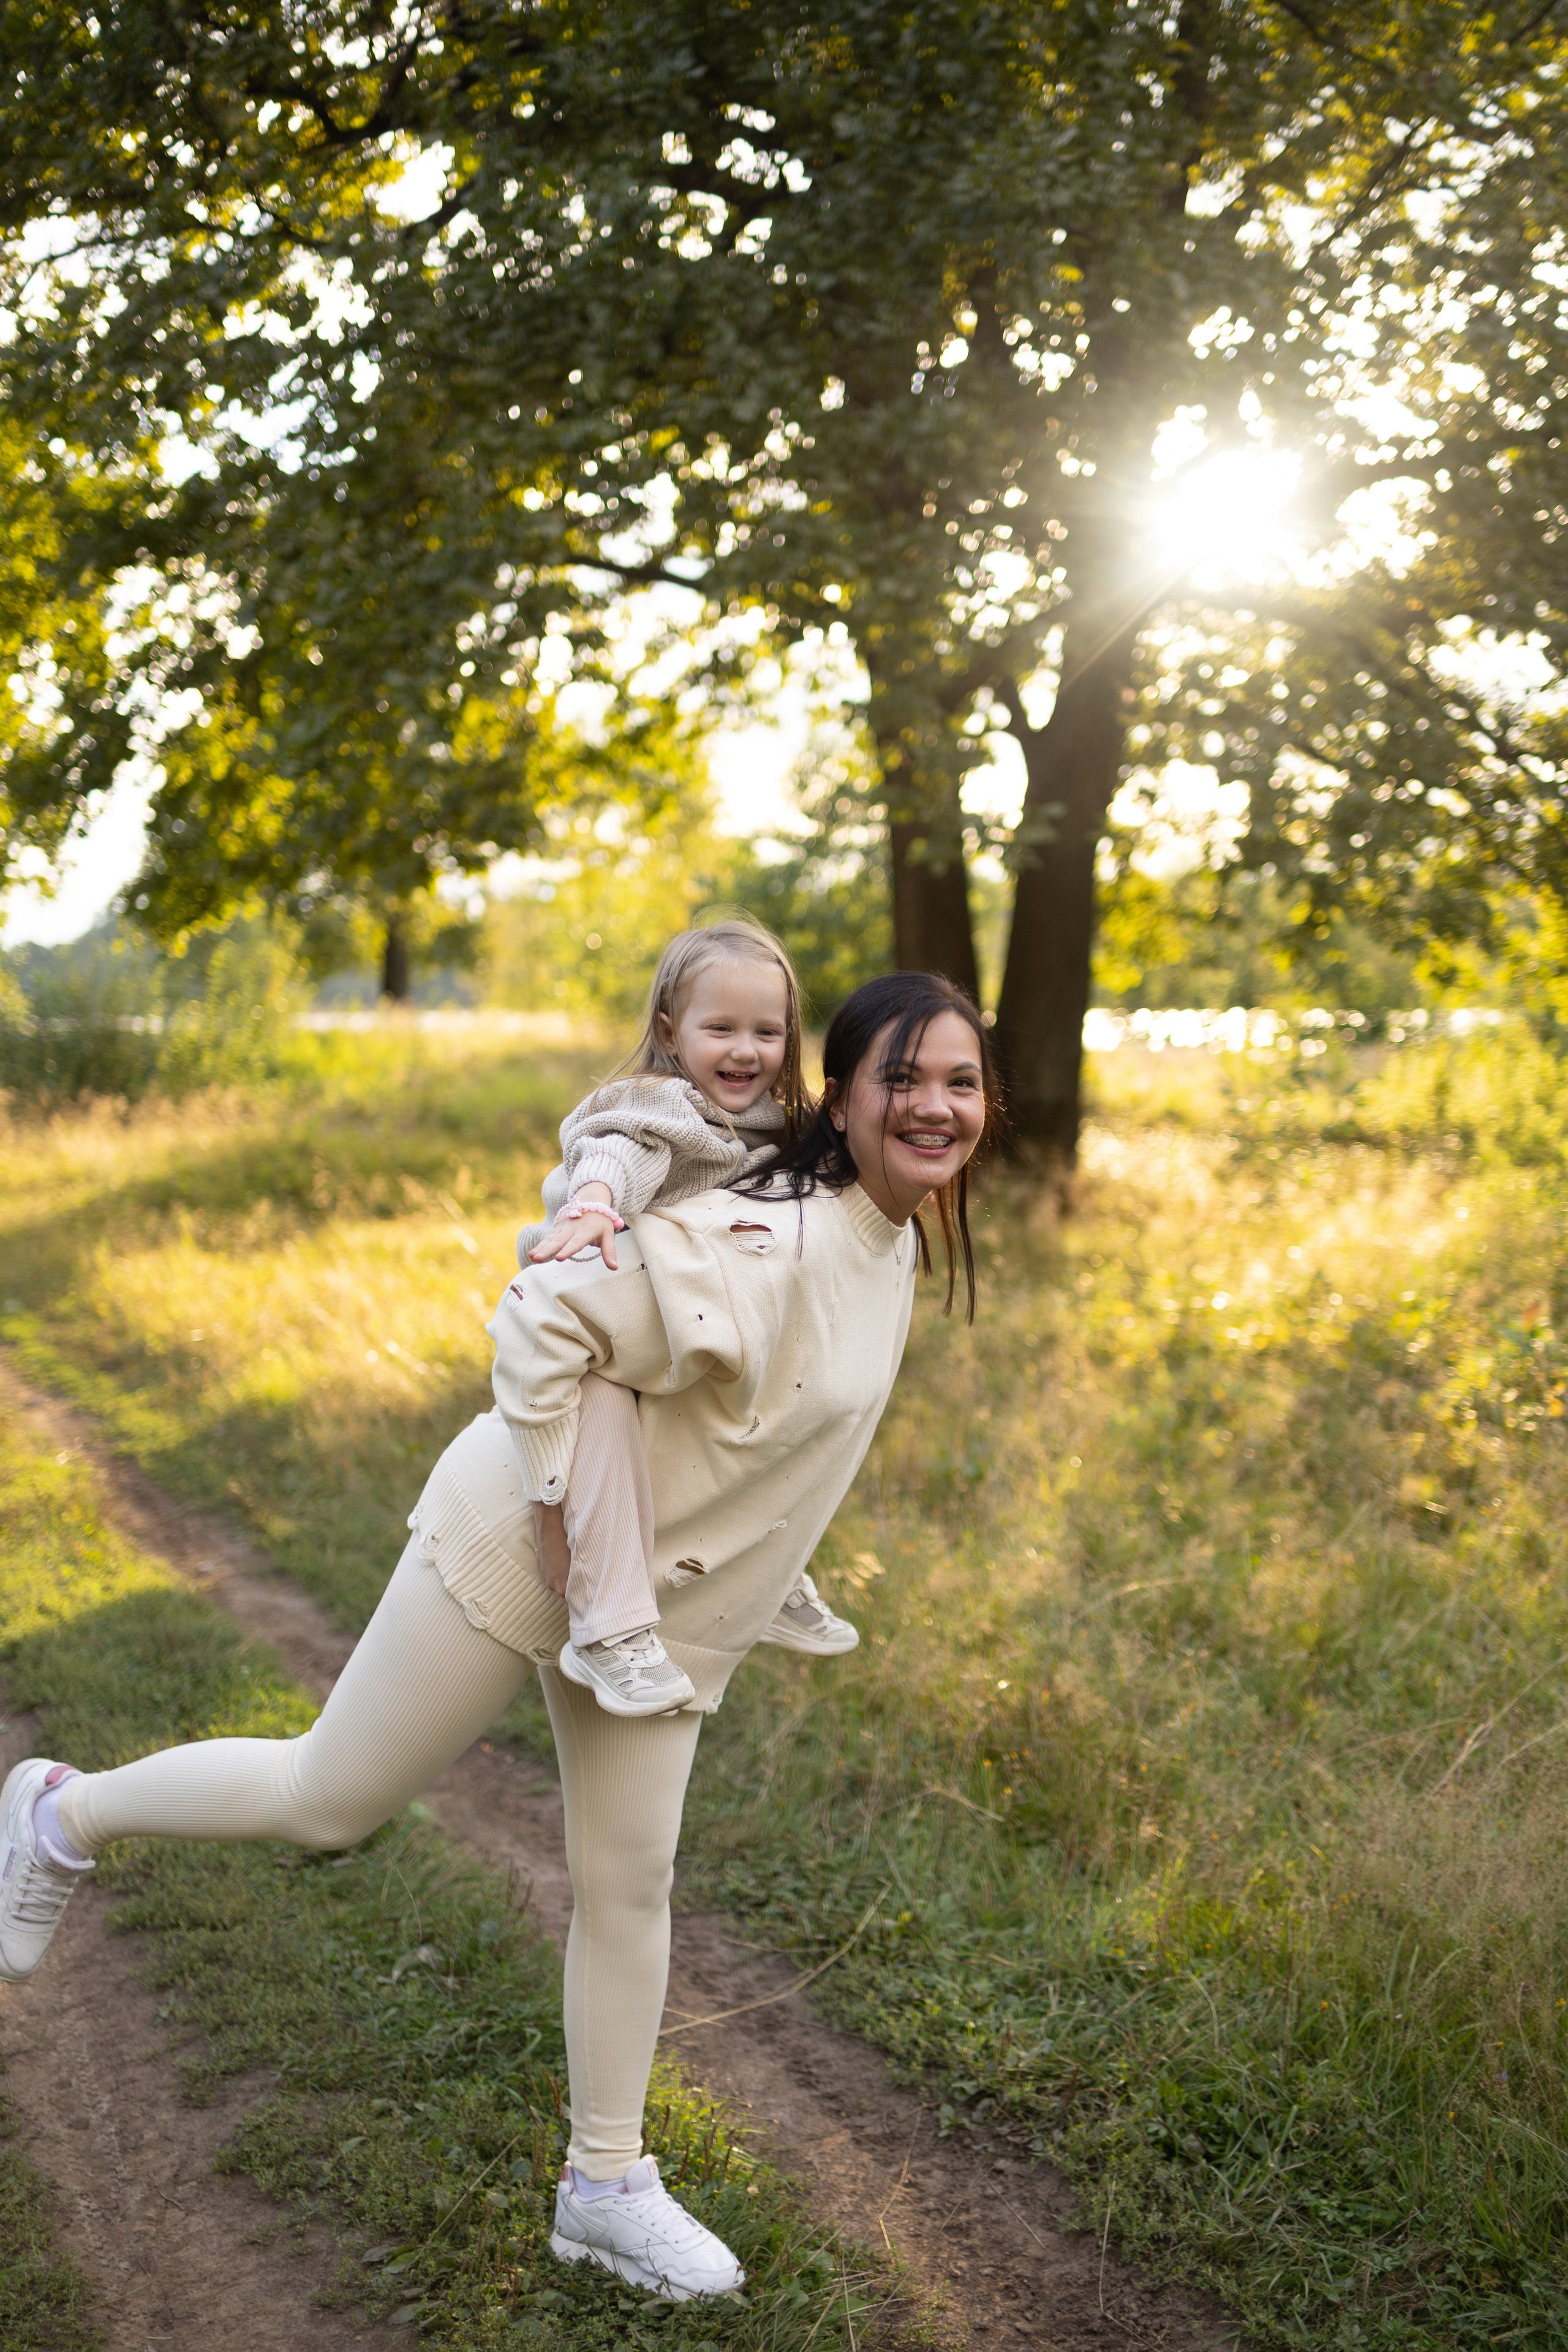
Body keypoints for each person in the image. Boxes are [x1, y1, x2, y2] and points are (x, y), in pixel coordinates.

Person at [0, 971, 998, 2302]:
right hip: (528, 1542)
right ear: (844, 1091)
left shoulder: (886, 1236)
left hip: (642, 1613)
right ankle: (63, 1814)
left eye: (961, 1082)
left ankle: (603, 2187)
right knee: (324, 1804)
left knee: (630, 1885)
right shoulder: (772, 1242)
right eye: (904, 1079)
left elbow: (776, 1440)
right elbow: (546, 1318)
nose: (934, 1108)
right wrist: (556, 1518)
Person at [514, 918, 858, 1719]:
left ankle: (764, 1570)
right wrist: (598, 1199)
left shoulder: (778, 1129)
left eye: (766, 1032)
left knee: (776, 1394)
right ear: (672, 1031)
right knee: (603, 1407)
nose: (745, 1051)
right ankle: (610, 1630)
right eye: (721, 1029)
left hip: (682, 1328)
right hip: (589, 1322)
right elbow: (619, 1150)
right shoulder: (662, 1106)